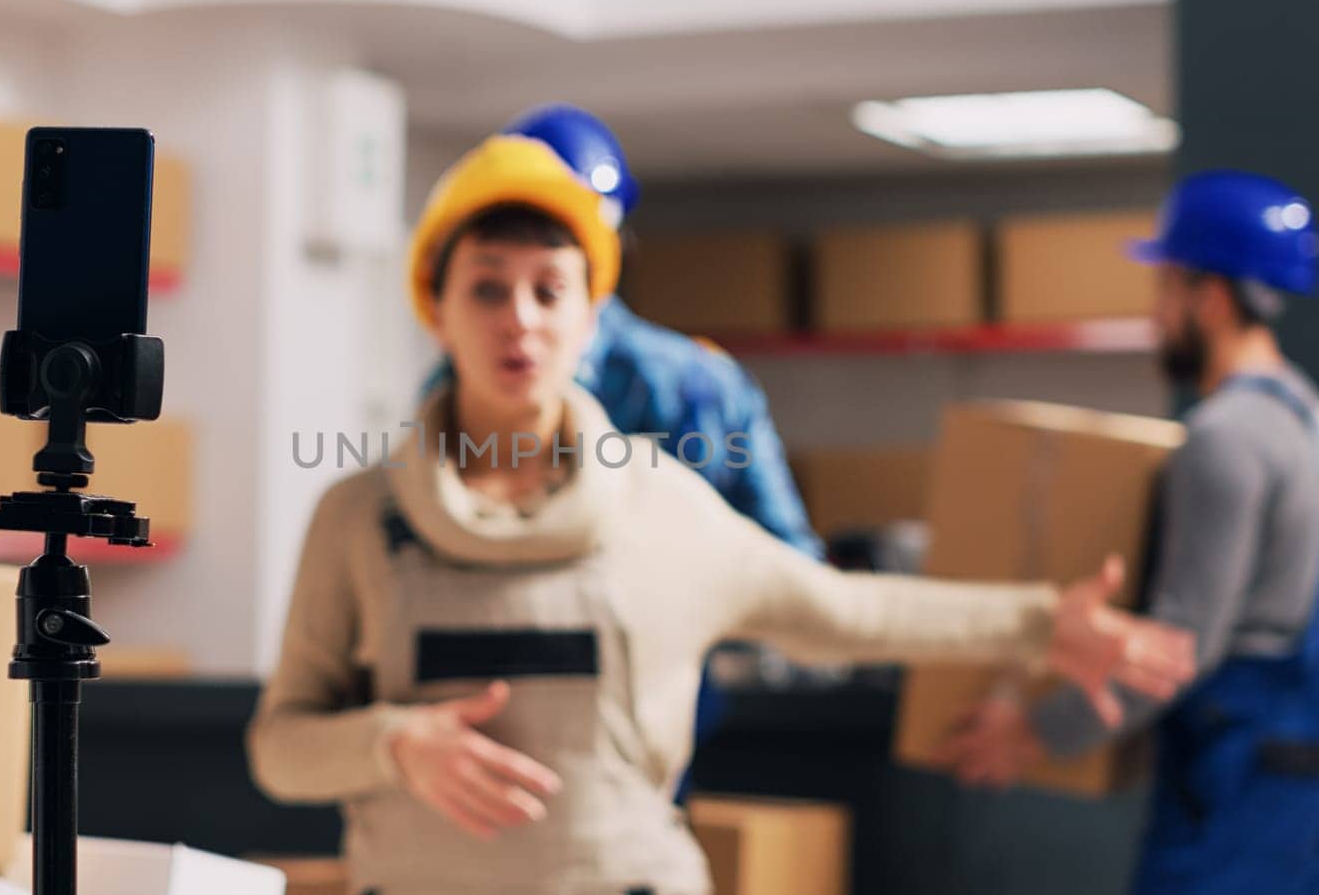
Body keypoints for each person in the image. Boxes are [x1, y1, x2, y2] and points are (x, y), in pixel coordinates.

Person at [249, 130, 1195, 895]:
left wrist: (1039, 624)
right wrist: (394, 744)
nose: (520, 318)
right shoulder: (357, 517)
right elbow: (280, 749)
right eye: (487, 287)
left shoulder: (663, 506)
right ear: (436, 310)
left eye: (550, 289)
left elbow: (844, 616)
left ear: (591, 319)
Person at [419, 104, 823, 802]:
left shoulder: (692, 384)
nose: (520, 319)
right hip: (488, 707)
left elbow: (787, 565)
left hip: (639, 718)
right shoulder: (451, 384)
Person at [941, 170, 1319, 895]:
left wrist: (1030, 734)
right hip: (1290, 787)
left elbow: (1178, 648)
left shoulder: (1224, 439)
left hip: (1235, 793)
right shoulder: (1302, 414)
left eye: (1164, 290)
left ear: (1208, 297)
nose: (1155, 316)